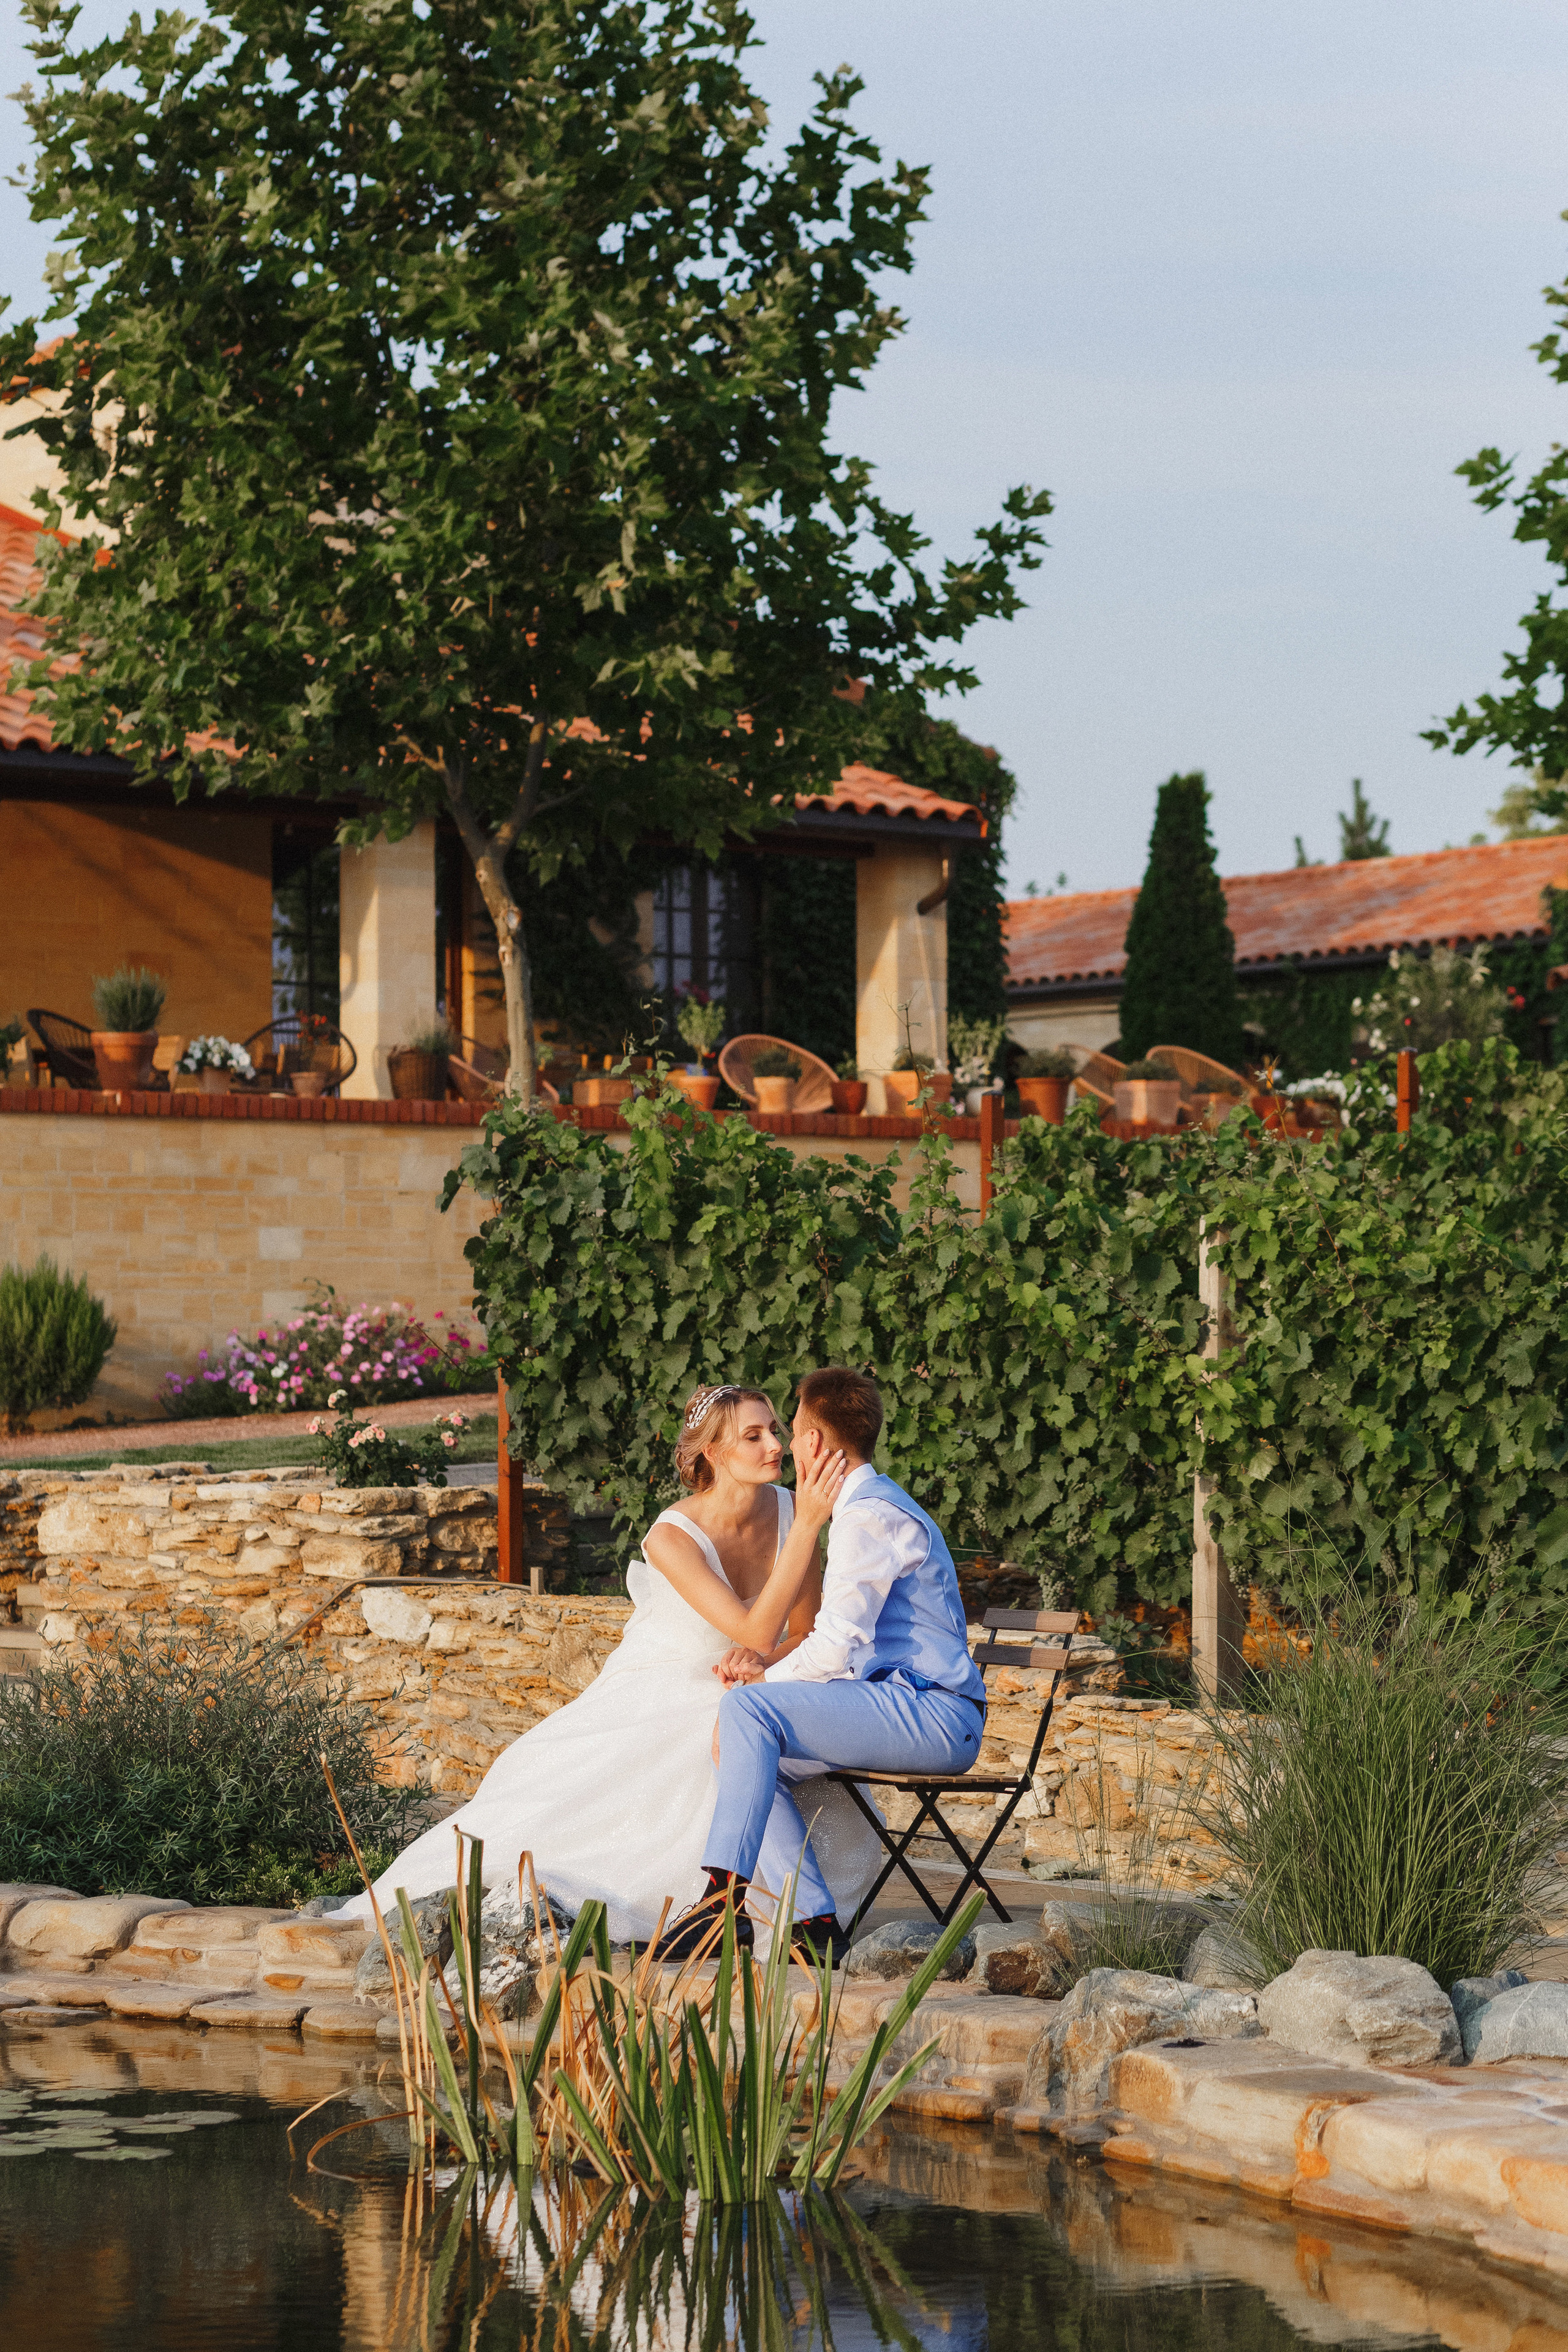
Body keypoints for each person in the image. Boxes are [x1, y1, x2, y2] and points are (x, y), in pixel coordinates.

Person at [339, 1382, 883, 1948]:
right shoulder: (672, 1537)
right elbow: (754, 1629)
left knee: (752, 1721)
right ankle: (713, 1904)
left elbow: (802, 1634)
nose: (774, 1445)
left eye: (774, 1430)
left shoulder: (792, 1508)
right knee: (710, 1737)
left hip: (751, 1677)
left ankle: (785, 1911)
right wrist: (805, 1534)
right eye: (753, 1436)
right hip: (667, 1677)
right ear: (714, 1453)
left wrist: (761, 1666)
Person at [654, 1366, 985, 1962]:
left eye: (790, 1429)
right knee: (747, 1752)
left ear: (812, 1442)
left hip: (934, 1713)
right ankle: (813, 1925)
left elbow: (833, 1646)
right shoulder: (868, 1507)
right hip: (903, 1703)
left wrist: (760, 1679)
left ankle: (720, 1905)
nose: (783, 1444)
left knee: (746, 1712)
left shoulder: (868, 1516)